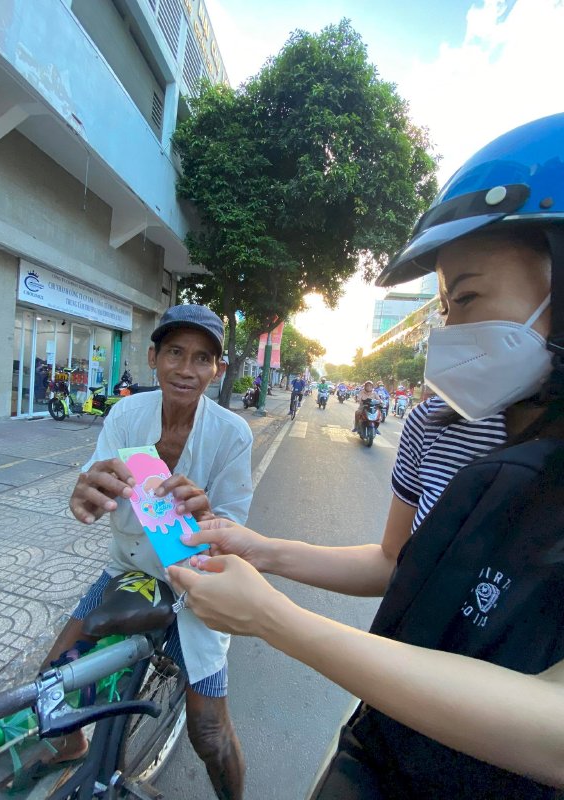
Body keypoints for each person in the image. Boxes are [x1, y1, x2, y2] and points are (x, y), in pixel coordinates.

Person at [167, 115, 564, 798]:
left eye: (466, 298)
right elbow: (394, 564)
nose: (450, 333)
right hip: (377, 753)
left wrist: (273, 618)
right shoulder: (437, 427)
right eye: (444, 305)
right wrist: (260, 549)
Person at [42, 305, 253, 800]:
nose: (186, 369)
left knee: (209, 732)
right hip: (130, 566)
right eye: (175, 352)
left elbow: (236, 531)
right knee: (50, 684)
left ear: (217, 369)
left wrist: (207, 519)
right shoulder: (125, 415)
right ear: (153, 357)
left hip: (197, 583)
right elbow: (94, 481)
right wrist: (85, 494)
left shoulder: (231, 434)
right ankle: (73, 744)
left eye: (202, 358)